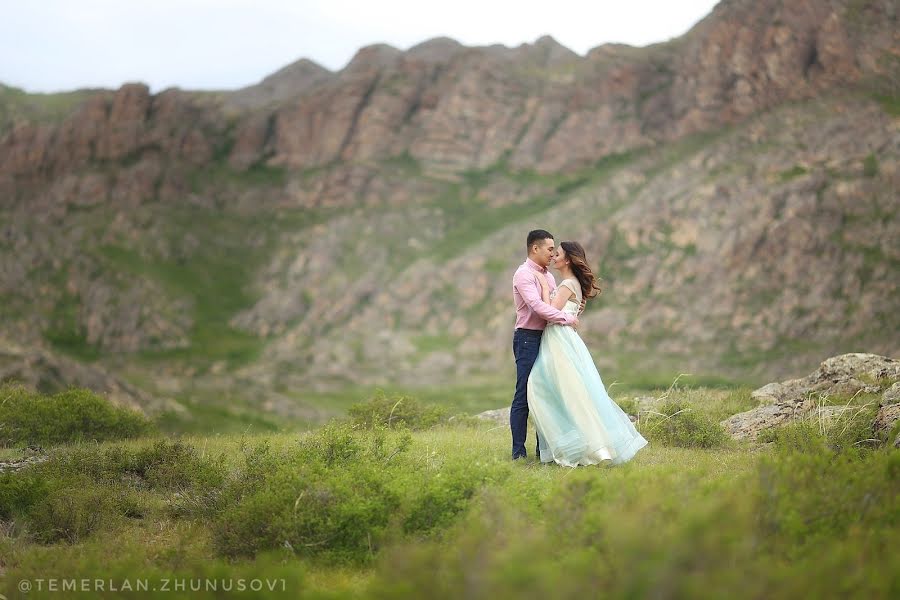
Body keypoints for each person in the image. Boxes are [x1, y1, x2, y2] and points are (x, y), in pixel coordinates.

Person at [527, 241, 648, 466]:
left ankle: (595, 448)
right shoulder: (572, 284)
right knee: (571, 391)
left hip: (558, 340)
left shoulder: (567, 285)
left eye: (558, 254)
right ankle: (585, 445)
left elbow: (549, 312)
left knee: (550, 389)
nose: (554, 257)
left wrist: (543, 288)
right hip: (563, 339)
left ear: (569, 259)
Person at [510, 230, 578, 461]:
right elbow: (537, 307)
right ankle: (518, 452)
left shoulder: (548, 277)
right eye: (550, 249)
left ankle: (543, 452)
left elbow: (554, 305)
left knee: (546, 394)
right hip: (528, 338)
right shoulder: (523, 274)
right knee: (524, 395)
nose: (552, 253)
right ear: (535, 248)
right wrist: (568, 319)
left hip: (548, 339)